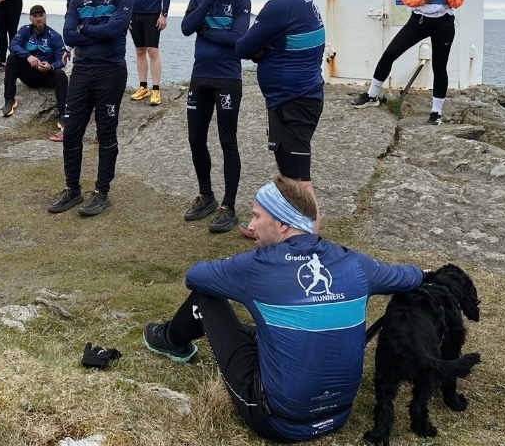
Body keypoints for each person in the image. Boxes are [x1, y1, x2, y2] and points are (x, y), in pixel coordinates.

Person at [141, 176, 425, 443]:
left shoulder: (255, 267)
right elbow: (412, 277)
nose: (250, 226)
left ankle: (169, 339)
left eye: (256, 216)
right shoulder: (356, 264)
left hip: (277, 421)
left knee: (205, 297)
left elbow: (195, 276)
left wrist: (239, 270)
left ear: (283, 225)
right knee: (281, 325)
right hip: (338, 415)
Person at [49, 0, 134, 217]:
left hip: (110, 72)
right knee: (72, 131)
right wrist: (89, 33)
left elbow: (115, 30)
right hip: (82, 72)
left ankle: (101, 192)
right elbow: (69, 35)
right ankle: (72, 189)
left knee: (106, 132)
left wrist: (86, 30)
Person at [235, 0, 325, 197]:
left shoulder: (280, 6)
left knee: (300, 183)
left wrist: (262, 50)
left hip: (293, 102)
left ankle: (307, 236)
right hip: (298, 97)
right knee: (288, 175)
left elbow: (242, 47)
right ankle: (286, 228)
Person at [352, 0, 464, 126]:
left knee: (439, 66)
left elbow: (459, 0)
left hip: (443, 23)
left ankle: (436, 113)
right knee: (390, 53)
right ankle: (372, 95)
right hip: (419, 19)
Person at [179, 0, 252, 233]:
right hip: (200, 77)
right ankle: (206, 196)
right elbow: (186, 28)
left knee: (227, 141)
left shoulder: (241, 0)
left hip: (227, 79)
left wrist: (207, 31)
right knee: (196, 139)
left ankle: (229, 206)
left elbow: (239, 38)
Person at [2, 4, 68, 142]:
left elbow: (61, 60)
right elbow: (13, 45)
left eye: (41, 16)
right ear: (30, 18)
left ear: (45, 16)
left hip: (46, 75)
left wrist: (50, 67)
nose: (38, 19)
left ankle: (63, 115)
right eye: (35, 16)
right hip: (29, 74)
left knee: (61, 75)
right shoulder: (25, 31)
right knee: (12, 58)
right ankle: (9, 99)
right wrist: (28, 56)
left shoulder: (54, 36)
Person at [125, 0, 171, 106]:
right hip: (135, 15)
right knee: (139, 50)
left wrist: (164, 14)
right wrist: (126, 15)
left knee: (152, 50)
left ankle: (156, 89)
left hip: (152, 14)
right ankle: (143, 87)